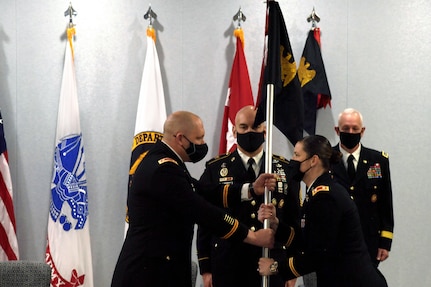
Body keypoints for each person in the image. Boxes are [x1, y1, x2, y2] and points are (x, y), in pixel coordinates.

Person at [111, 111, 276, 287]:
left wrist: (250, 190)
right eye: (199, 139)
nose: (203, 144)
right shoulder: (163, 169)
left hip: (160, 268)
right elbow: (203, 211)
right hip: (148, 273)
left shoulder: (168, 162)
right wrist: (252, 236)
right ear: (181, 138)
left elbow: (203, 190)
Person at [258, 135, 388, 287]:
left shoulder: (325, 198)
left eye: (297, 155)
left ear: (313, 161)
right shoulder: (317, 192)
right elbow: (307, 240)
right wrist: (276, 224)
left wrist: (275, 267)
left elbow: (317, 255)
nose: (292, 160)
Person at [197, 105, 300, 287]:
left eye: (256, 127)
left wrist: (291, 269)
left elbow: (294, 220)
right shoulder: (215, 170)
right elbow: (205, 222)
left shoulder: (283, 169)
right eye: (244, 127)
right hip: (228, 262)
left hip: (271, 262)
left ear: (265, 131)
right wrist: (206, 268)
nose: (250, 132)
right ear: (235, 131)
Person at [332, 108, 394, 266]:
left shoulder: (378, 161)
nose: (350, 132)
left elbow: (385, 203)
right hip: (333, 241)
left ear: (363, 131)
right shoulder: (326, 159)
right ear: (337, 130)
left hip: (368, 241)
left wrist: (385, 242)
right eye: (345, 128)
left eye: (355, 129)